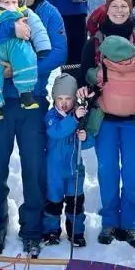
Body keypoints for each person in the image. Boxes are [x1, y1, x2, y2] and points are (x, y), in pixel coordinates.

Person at [0, 0, 68, 257]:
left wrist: (24, 69)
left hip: (32, 102)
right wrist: (10, 32)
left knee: (34, 166)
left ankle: (32, 227)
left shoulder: (49, 13)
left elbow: (58, 51)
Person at [75, 0, 135, 247]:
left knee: (134, 173)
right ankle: (110, 221)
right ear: (107, 8)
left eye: (124, 7)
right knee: (107, 171)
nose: (120, 10)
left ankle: (131, 223)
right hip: (104, 118)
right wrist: (85, 85)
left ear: (130, 9)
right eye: (115, 6)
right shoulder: (95, 41)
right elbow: (82, 74)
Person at [43, 73, 94, 247]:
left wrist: (84, 136)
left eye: (68, 98)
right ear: (54, 99)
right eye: (60, 98)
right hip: (54, 170)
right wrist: (74, 119)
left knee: (75, 204)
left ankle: (76, 232)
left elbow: (88, 142)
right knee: (53, 202)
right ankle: (51, 232)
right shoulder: (51, 117)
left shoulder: (79, 117)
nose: (64, 103)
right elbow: (56, 132)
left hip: (74, 170)